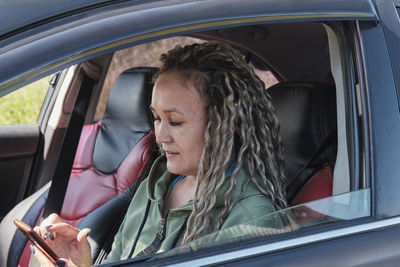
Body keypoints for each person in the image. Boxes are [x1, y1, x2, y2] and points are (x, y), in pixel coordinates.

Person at [32, 41, 287, 267]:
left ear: (224, 125)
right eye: (156, 118)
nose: (160, 135)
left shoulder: (251, 217)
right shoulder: (152, 186)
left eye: (175, 121)